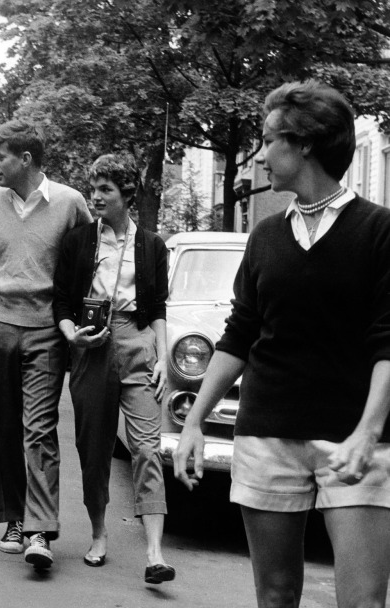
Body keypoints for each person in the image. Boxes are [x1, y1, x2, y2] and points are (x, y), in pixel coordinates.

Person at [174, 80, 390, 608]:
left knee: (362, 601)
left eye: (269, 140)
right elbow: (240, 335)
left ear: (305, 144)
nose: (261, 155)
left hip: (353, 440)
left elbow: (389, 340)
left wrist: (368, 431)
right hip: (267, 433)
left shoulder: (379, 231)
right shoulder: (266, 236)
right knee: (274, 596)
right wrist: (195, 423)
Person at [0, 119, 92, 570]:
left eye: (0, 157)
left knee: (39, 429)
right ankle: (13, 518)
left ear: (26, 159)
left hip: (46, 331)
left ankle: (40, 530)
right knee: (1, 428)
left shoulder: (71, 203)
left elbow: (90, 260)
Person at [53, 153, 176, 584]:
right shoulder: (79, 241)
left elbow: (158, 306)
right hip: (91, 345)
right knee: (94, 447)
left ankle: (155, 552)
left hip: (137, 342)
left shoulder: (152, 245)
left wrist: (162, 356)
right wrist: (71, 336)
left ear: (127, 193)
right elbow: (63, 303)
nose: (96, 196)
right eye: (94, 188)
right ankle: (99, 534)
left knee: (146, 447)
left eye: (105, 189)